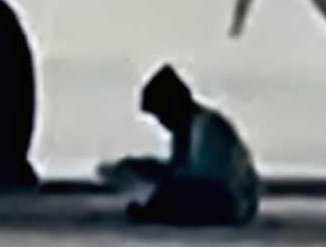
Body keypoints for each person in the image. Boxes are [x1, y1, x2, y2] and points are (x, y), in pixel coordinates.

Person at [111, 65, 262, 227]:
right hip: (223, 197)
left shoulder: (206, 127)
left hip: (231, 202)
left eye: (161, 115)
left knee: (176, 192)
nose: (162, 123)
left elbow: (196, 178)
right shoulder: (188, 130)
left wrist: (150, 171)